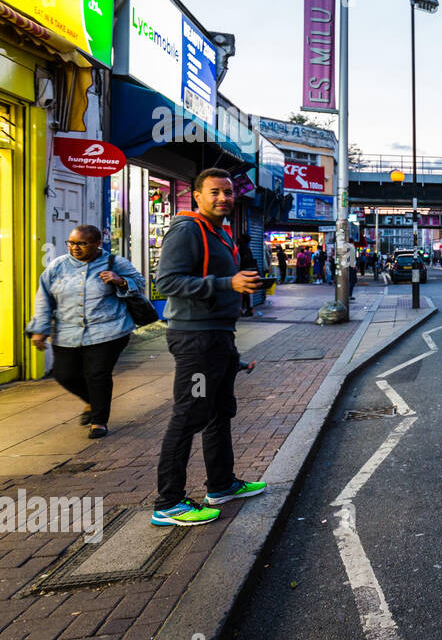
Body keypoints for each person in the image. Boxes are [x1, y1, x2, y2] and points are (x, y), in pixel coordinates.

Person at [151, 168, 266, 527]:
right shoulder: (187, 229)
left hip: (217, 339)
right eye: (215, 192)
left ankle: (221, 484)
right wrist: (226, 282)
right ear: (197, 195)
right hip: (196, 340)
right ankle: (168, 502)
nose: (224, 198)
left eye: (229, 193)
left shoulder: (219, 233)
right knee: (189, 415)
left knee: (219, 412)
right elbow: (166, 281)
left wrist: (231, 356)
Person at [25, 224, 145, 439]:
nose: (75, 248)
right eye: (71, 243)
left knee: (97, 373)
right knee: (64, 374)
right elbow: (44, 299)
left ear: (97, 243)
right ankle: (92, 401)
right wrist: (39, 329)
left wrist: (121, 280)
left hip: (109, 330)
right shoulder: (57, 266)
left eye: (82, 243)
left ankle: (99, 421)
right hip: (67, 331)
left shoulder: (115, 263)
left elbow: (140, 282)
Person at [237, 233, 258, 317]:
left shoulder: (243, 249)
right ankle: (246, 309)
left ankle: (248, 309)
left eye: (240, 238)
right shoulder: (247, 249)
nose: (238, 239)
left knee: (245, 292)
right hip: (247, 272)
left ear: (243, 240)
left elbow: (244, 261)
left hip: (244, 272)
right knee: (246, 292)